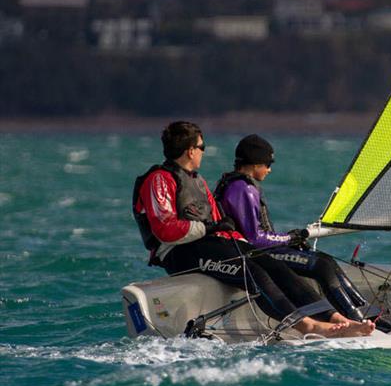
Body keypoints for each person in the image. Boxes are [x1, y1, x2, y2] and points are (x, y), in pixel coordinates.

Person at [132, 121, 374, 338]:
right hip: (181, 254)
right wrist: (209, 228)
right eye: (202, 147)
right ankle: (308, 326)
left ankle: (336, 318)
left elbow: (221, 226)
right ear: (190, 150)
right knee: (253, 273)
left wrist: (239, 240)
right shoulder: (160, 179)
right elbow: (165, 229)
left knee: (272, 265)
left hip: (209, 246)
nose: (203, 152)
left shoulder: (197, 180)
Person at [214, 134, 374, 322]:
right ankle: (359, 320)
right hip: (257, 254)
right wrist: (290, 239)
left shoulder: (237, 184)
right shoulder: (243, 189)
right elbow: (254, 238)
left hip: (264, 249)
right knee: (321, 265)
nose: (270, 170)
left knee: (326, 260)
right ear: (256, 163)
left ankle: (368, 315)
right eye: (268, 164)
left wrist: (291, 241)